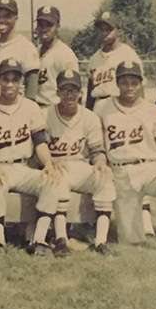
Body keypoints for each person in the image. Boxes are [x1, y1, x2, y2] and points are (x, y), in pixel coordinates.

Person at [94, 61, 156, 255]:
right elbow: (96, 144)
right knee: (130, 240)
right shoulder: (103, 108)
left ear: (141, 84)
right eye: (125, 82)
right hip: (120, 173)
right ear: (117, 83)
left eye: (134, 82)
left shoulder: (152, 110)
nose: (130, 87)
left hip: (148, 169)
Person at [0, 58, 66, 257]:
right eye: (5, 79)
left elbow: (40, 142)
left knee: (51, 181)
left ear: (21, 83)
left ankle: (39, 239)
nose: (10, 84)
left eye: (14, 79)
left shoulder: (30, 107)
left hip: (23, 167)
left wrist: (49, 163)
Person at [85, 10, 152, 236]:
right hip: (99, 107)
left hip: (122, 108)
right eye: (101, 28)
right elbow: (89, 93)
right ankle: (99, 217)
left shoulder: (127, 54)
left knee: (131, 160)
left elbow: (138, 87)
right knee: (101, 159)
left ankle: (145, 219)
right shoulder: (94, 58)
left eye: (109, 28)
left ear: (118, 30)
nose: (104, 33)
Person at [46, 69, 117, 256]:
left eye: (74, 90)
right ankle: (61, 239)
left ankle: (101, 241)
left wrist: (101, 162)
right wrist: (49, 160)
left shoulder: (90, 117)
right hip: (55, 166)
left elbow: (97, 150)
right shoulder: (46, 114)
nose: (69, 95)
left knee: (105, 179)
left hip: (79, 165)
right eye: (65, 90)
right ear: (57, 92)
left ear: (81, 93)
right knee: (59, 180)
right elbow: (37, 149)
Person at [0, 0, 40, 102]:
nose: (1, 20)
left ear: (16, 18)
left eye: (7, 16)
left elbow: (31, 89)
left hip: (14, 109)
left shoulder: (26, 47)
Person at [35, 6, 78, 110]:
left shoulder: (65, 54)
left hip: (55, 110)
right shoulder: (35, 51)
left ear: (58, 26)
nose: (44, 29)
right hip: (36, 109)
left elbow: (73, 90)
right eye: (41, 25)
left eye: (49, 25)